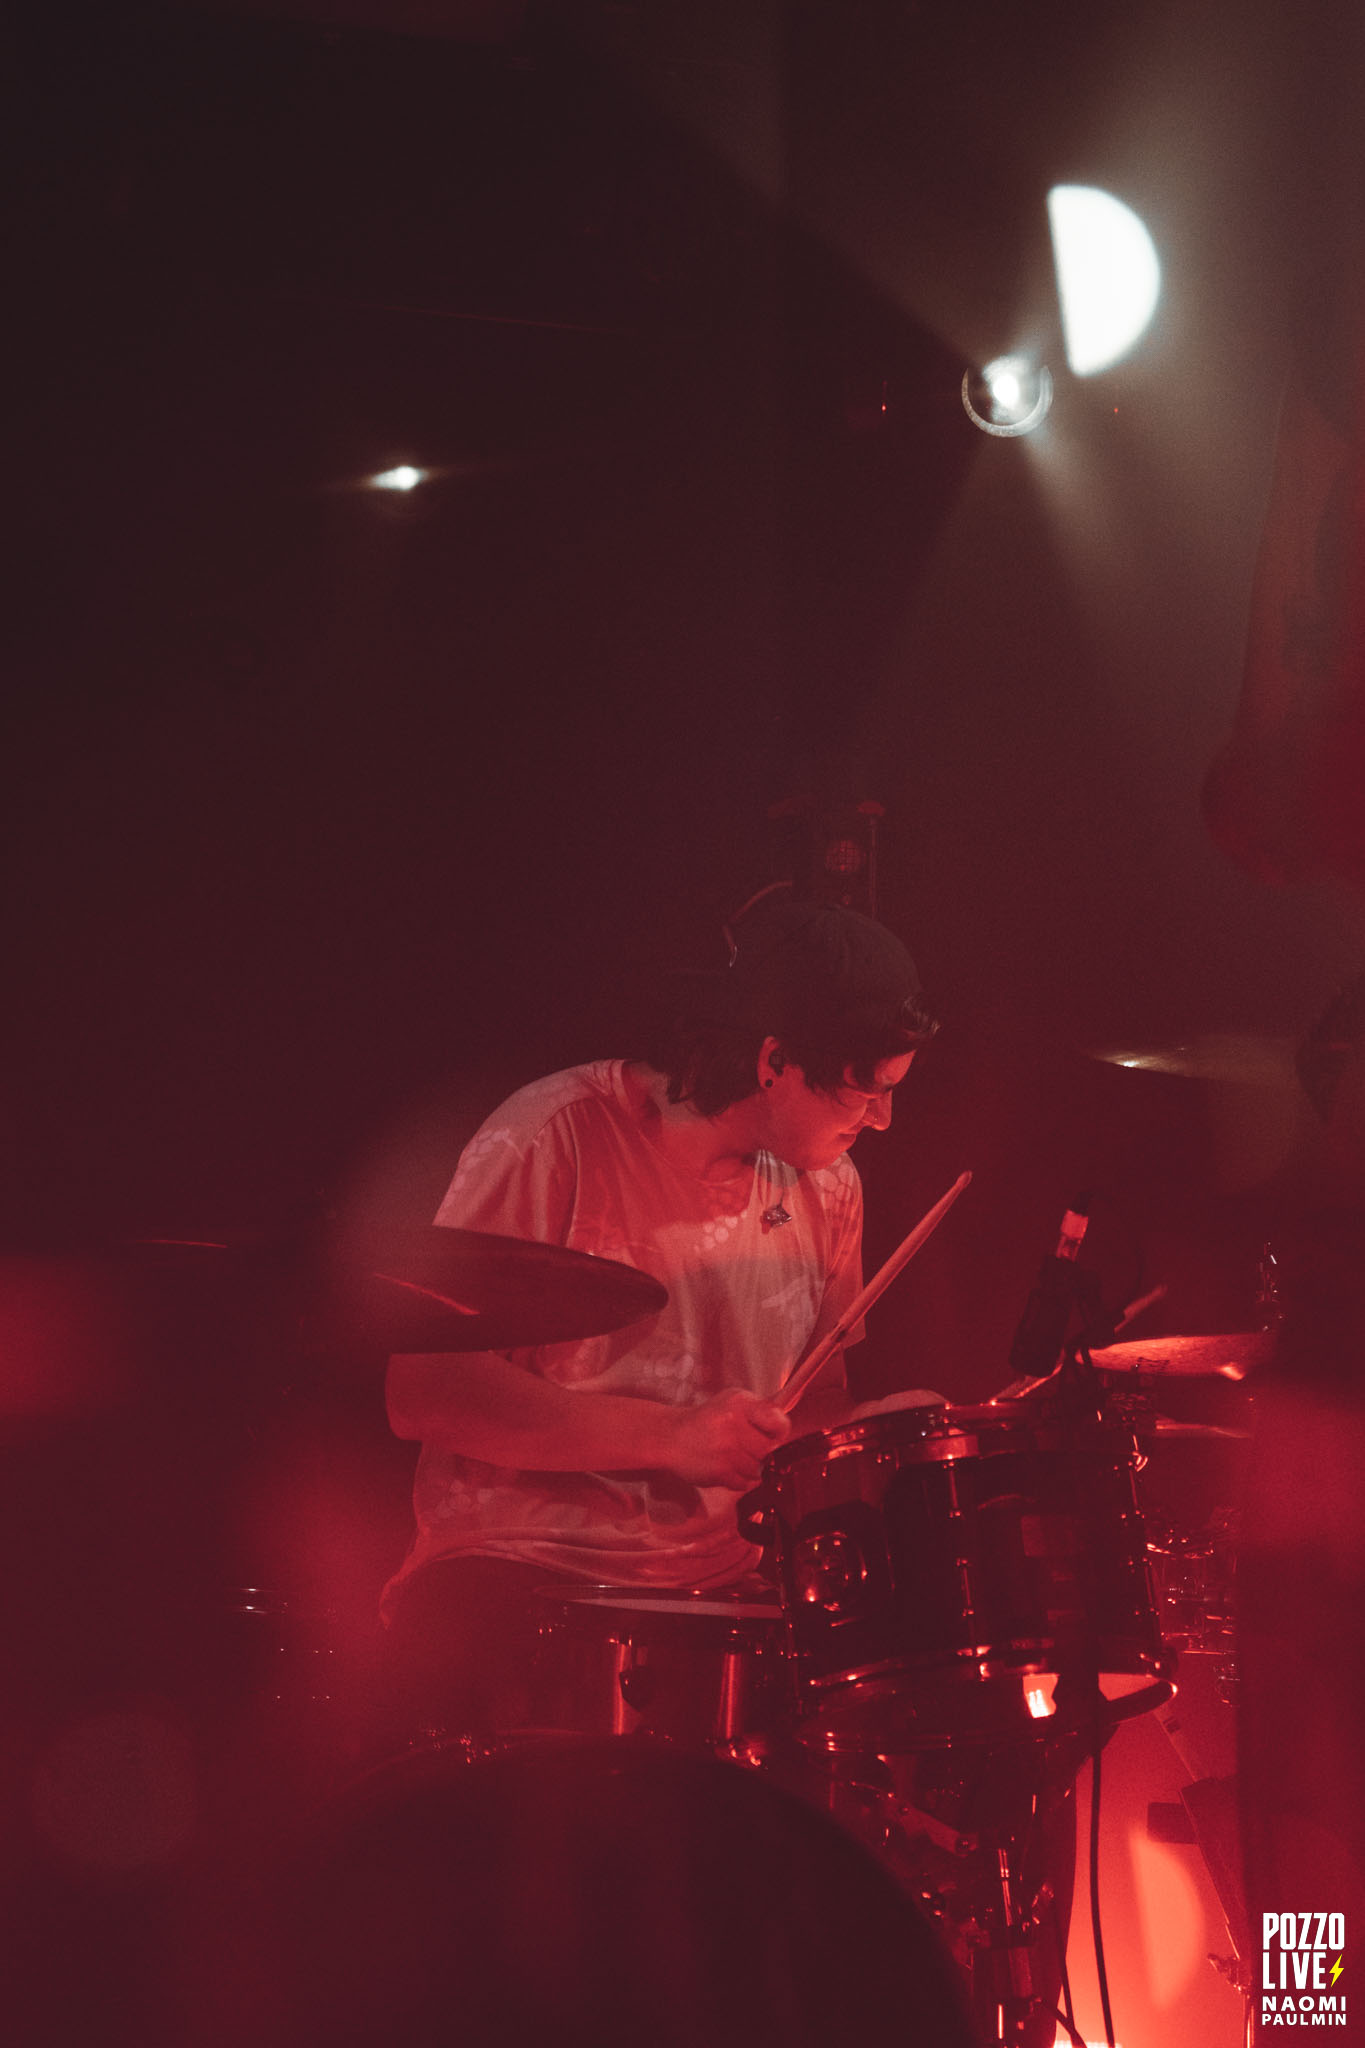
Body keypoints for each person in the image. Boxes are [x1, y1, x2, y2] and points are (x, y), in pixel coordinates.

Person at [380, 885, 938, 1728]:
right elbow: (425, 1391)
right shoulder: (555, 1135)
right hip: (520, 1572)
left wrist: (870, 1439)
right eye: (866, 1090)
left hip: (721, 1587)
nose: (884, 1120)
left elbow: (811, 1405)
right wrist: (671, 1438)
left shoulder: (830, 1186)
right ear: (774, 1061)